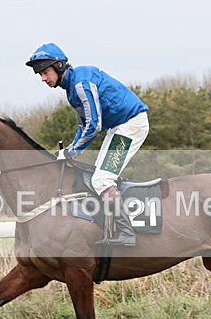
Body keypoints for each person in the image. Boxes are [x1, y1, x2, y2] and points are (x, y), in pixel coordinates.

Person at [26, 42, 149, 247]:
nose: (43, 78)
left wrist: (71, 152)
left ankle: (126, 232)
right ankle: (112, 227)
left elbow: (94, 125)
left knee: (102, 179)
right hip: (119, 127)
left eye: (45, 72)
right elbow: (82, 126)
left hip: (131, 124)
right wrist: (68, 151)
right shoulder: (71, 90)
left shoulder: (80, 84)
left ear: (59, 65)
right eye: (40, 74)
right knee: (98, 178)